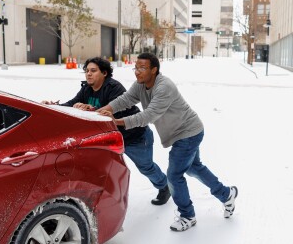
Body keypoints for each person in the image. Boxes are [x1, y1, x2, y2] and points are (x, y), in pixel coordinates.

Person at [97, 52, 237, 232]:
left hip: (188, 133)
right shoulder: (141, 84)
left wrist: (116, 122)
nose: (137, 72)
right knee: (194, 168)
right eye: (136, 67)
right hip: (184, 132)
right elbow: (126, 99)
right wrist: (103, 111)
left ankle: (187, 215)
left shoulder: (164, 87)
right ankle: (227, 194)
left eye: (142, 68)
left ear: (154, 70)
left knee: (174, 175)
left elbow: (148, 115)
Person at [42, 57, 171, 205]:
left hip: (134, 137)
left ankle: (164, 186)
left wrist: (92, 109)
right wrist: (53, 106)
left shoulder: (114, 88)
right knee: (100, 169)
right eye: (87, 71)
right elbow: (72, 104)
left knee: (146, 167)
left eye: (93, 71)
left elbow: (116, 115)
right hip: (109, 140)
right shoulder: (86, 89)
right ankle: (101, 199)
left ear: (104, 73)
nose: (88, 74)